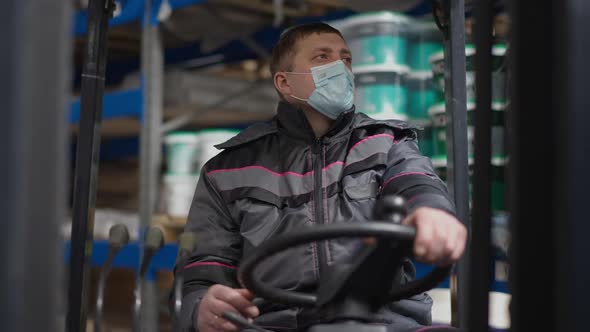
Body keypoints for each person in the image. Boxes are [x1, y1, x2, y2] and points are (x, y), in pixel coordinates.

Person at [176, 22, 467, 332]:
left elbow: (417, 183)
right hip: (274, 326)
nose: (340, 67)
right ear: (285, 83)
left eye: (346, 58)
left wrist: (432, 211)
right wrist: (200, 307)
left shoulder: (387, 143)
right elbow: (202, 270)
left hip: (385, 321)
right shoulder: (226, 171)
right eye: (322, 57)